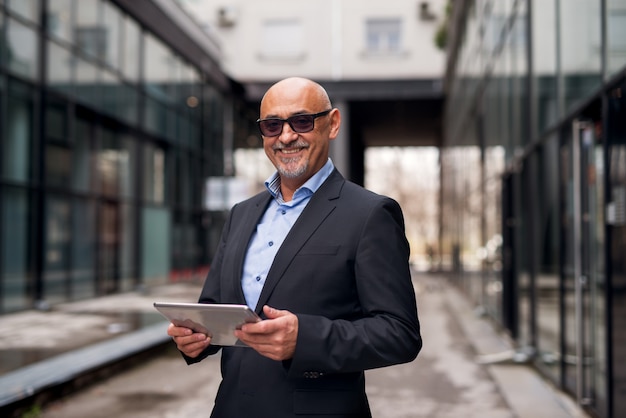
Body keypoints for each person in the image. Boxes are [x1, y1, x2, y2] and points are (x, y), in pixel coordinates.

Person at [167, 77, 422, 417]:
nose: (286, 136)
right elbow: (216, 307)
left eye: (301, 121)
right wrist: (195, 338)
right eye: (272, 125)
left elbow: (399, 333)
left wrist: (307, 339)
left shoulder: (371, 214)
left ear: (332, 124)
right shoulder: (241, 215)